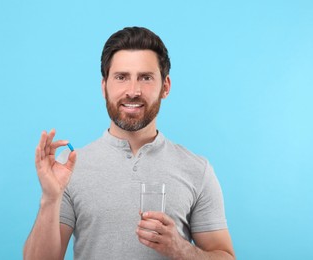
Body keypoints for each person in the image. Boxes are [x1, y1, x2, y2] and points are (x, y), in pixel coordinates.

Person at [23, 26, 235, 260]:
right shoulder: (69, 167)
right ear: (104, 87)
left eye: (145, 78)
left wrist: (179, 248)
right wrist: (50, 197)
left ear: (165, 87)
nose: (133, 91)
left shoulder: (197, 170)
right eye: (121, 77)